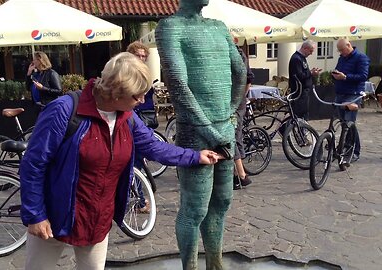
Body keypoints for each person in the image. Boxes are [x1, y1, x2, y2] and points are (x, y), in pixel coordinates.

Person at [19, 52, 222, 270]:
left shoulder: (128, 118)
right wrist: (35, 215)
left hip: (97, 217)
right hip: (56, 214)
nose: (142, 101)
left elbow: (154, 147)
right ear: (115, 92)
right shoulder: (64, 110)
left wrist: (195, 156)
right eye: (137, 96)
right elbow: (33, 164)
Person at [156, 0, 247, 268]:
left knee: (222, 201)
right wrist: (209, 127)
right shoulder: (170, 27)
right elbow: (178, 83)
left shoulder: (219, 27)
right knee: (195, 208)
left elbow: (240, 70)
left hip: (223, 126)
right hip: (195, 131)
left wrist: (230, 112)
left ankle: (215, 264)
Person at [127, 40, 157, 213]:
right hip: (134, 119)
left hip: (143, 119)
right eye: (137, 55)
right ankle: (138, 200)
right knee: (135, 161)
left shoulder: (144, 72)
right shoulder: (130, 73)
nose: (141, 58)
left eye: (144, 56)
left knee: (136, 160)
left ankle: (137, 198)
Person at [331, 38, 370, 163]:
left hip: (353, 94)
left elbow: (363, 76)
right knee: (343, 122)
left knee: (349, 122)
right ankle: (344, 146)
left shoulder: (361, 57)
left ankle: (354, 151)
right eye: (339, 50)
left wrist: (346, 77)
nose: (341, 53)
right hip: (340, 93)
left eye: (342, 50)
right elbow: (338, 69)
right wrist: (335, 75)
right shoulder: (342, 58)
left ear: (349, 45)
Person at [233, 45, 254, 190]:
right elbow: (249, 79)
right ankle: (238, 174)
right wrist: (243, 96)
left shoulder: (230, 55)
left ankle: (241, 175)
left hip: (231, 101)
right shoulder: (242, 54)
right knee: (237, 135)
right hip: (240, 100)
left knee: (231, 137)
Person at [288, 40, 322, 121]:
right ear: (305, 48)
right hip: (299, 92)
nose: (311, 53)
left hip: (303, 91)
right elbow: (299, 75)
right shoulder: (296, 58)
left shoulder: (301, 58)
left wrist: (311, 72)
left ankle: (300, 130)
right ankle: (287, 129)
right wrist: (311, 73)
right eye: (310, 51)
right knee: (299, 115)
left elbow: (303, 72)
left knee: (302, 114)